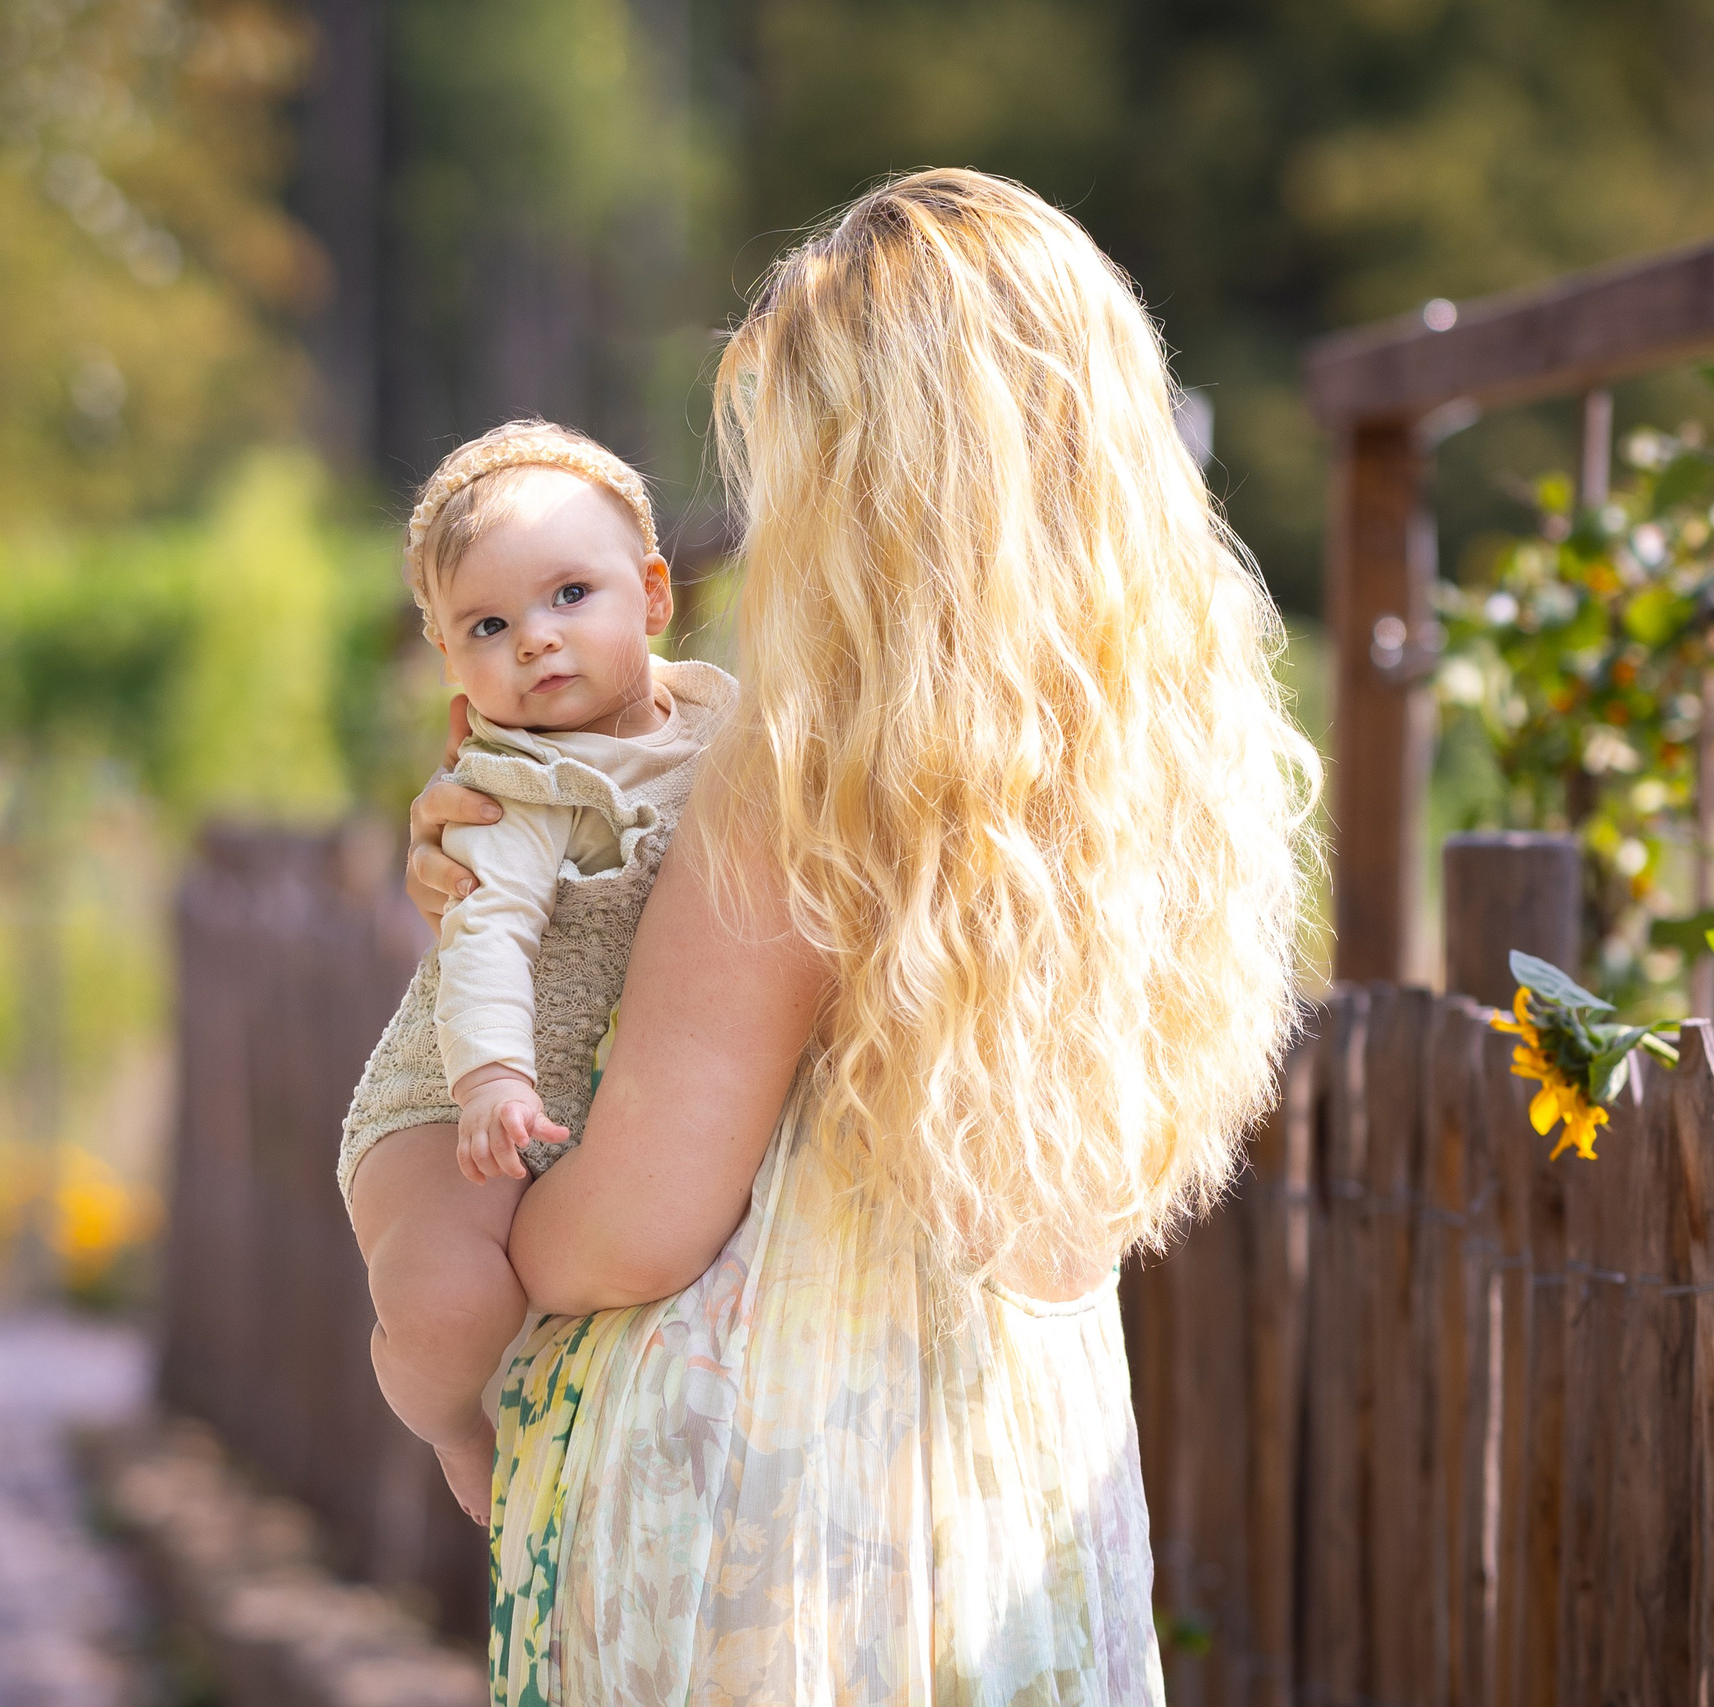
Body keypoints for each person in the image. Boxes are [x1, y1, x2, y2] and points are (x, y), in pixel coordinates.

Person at [404, 169, 1318, 1702]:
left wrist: (495, 1262)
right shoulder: (1161, 777)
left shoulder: (801, 789)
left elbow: (635, 1220)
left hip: (770, 1524)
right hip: (1017, 1486)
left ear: (873, 492)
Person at [340, 419, 736, 1526]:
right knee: (451, 1300)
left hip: (592, 1102)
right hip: (452, 1101)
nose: (536, 642)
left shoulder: (728, 734)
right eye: (489, 624)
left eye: (571, 596)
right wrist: (489, 1084)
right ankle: (449, 1422)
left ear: (654, 596)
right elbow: (486, 939)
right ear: (447, 658)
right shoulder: (513, 788)